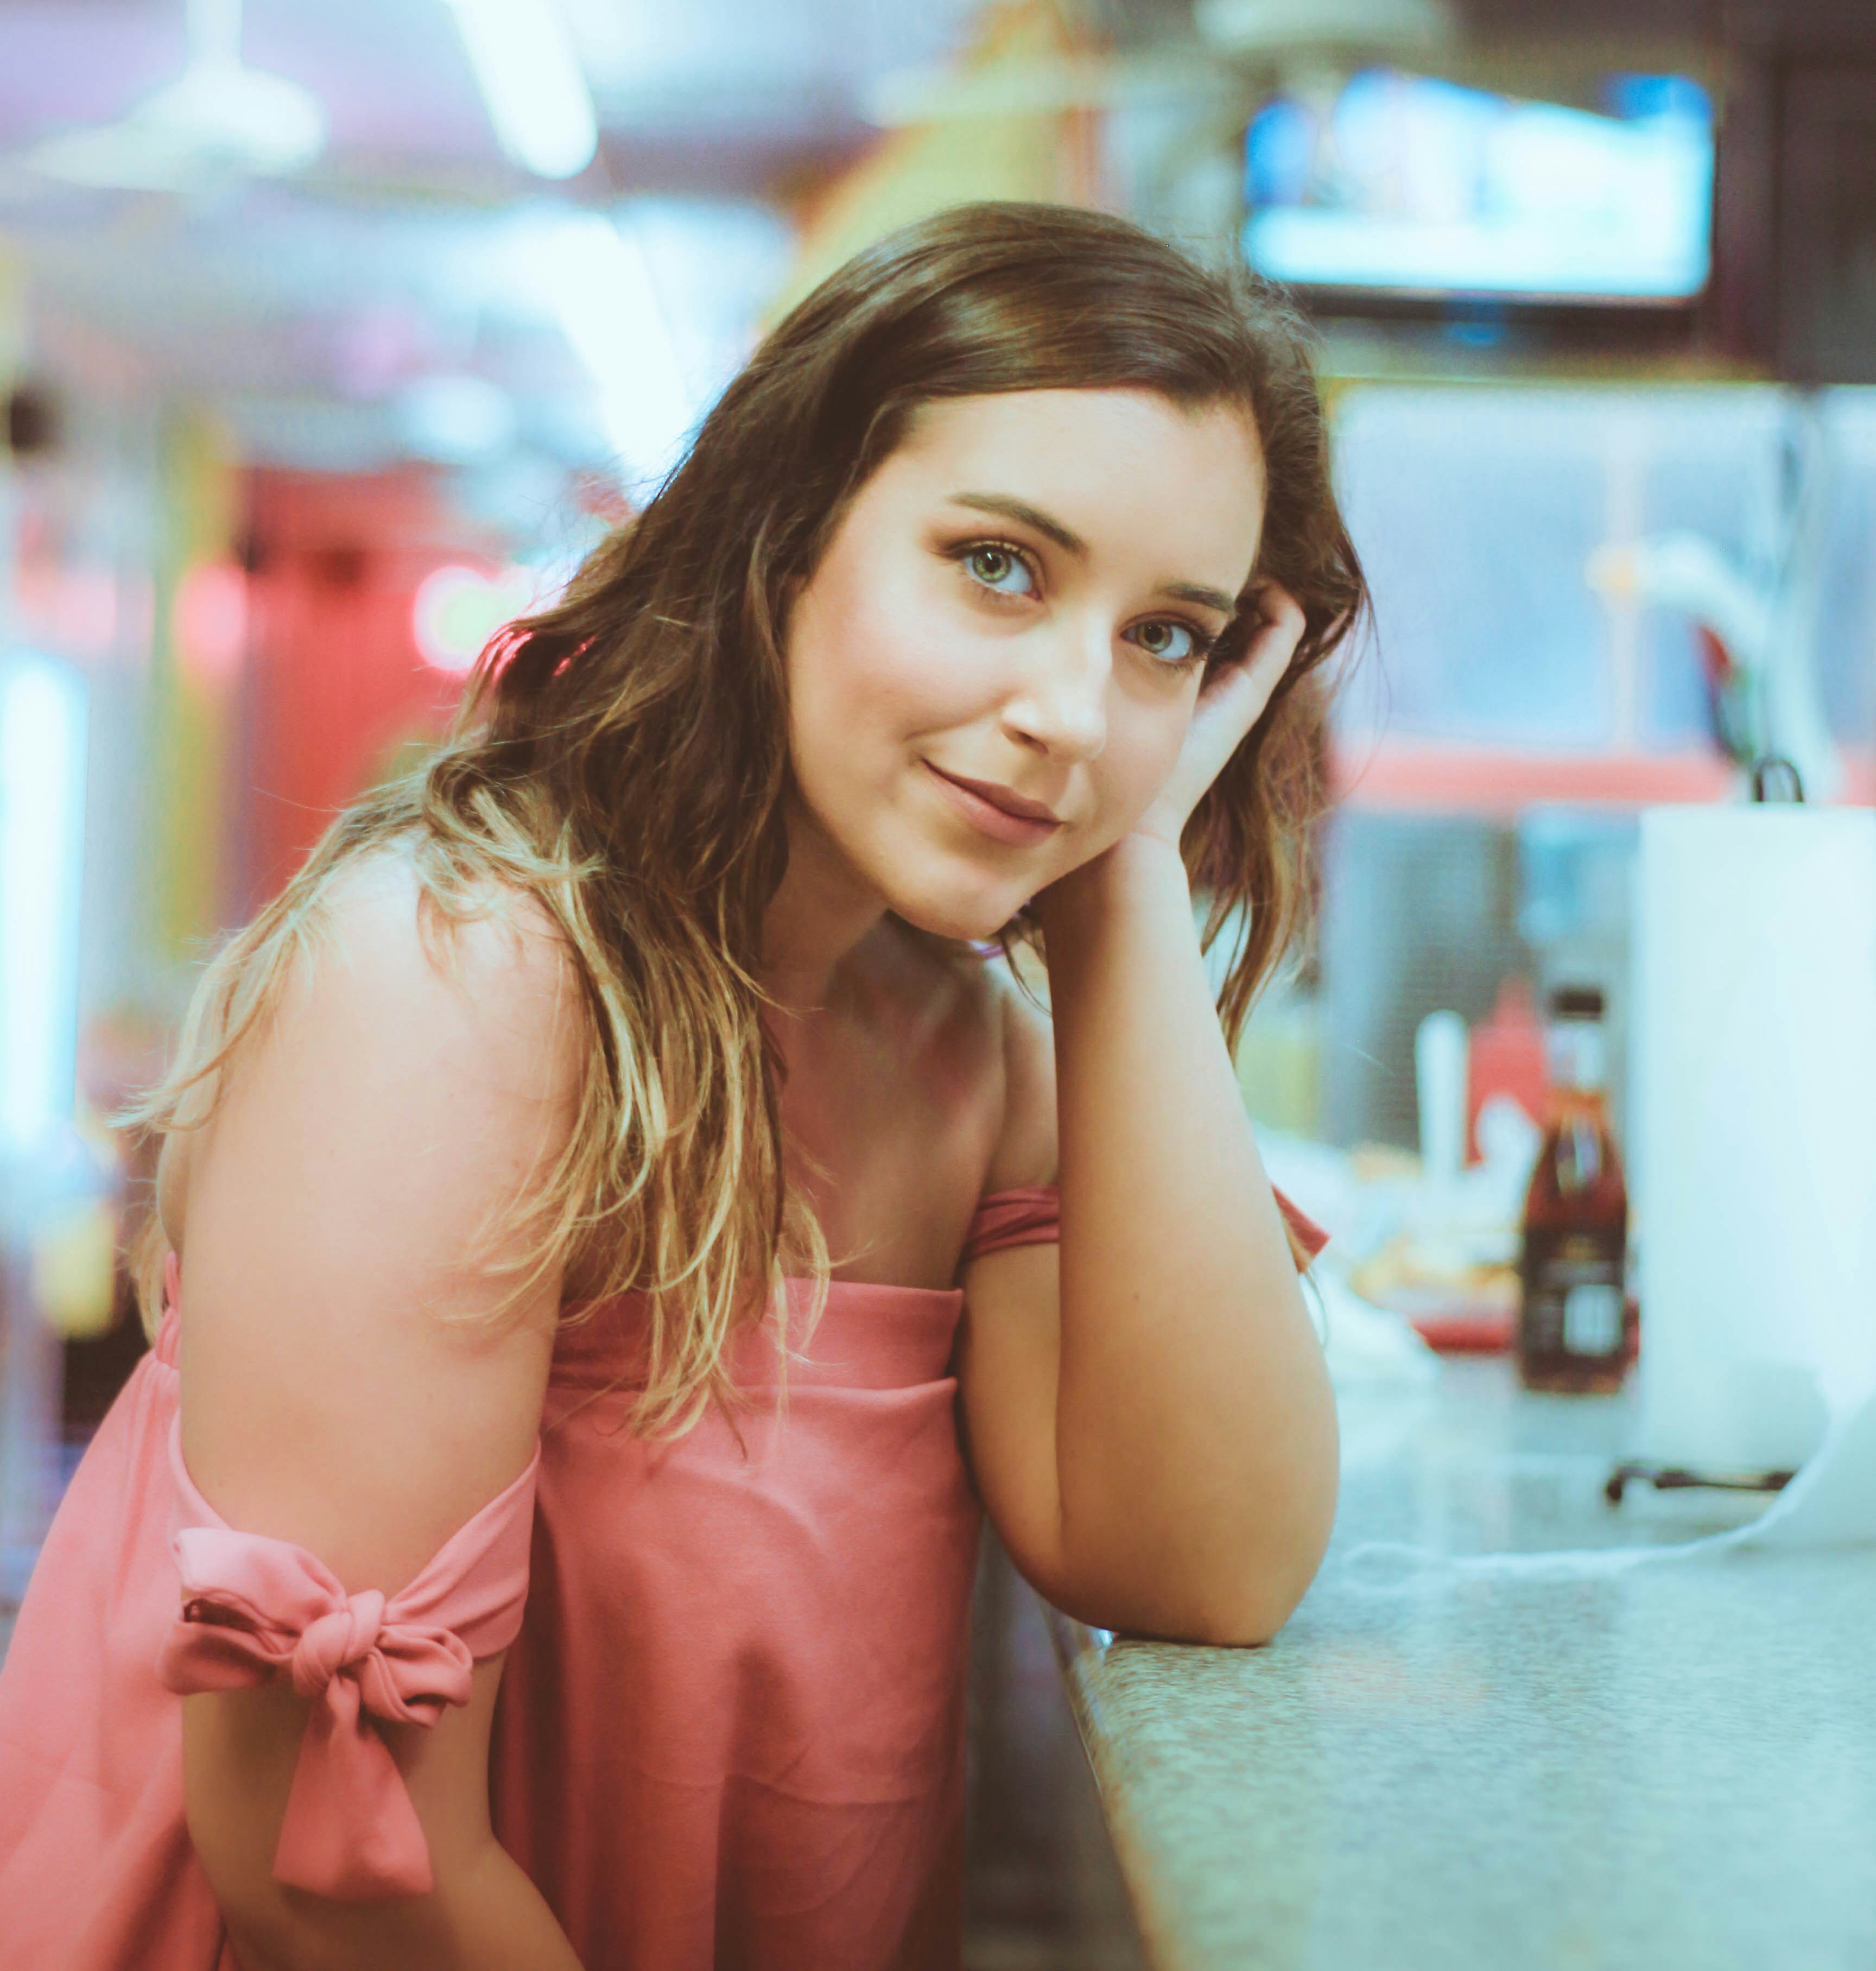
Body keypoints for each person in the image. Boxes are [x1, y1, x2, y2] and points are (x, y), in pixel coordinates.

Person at [0, 201, 1366, 1971]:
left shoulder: (966, 1054)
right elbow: (340, 1874)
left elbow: (1205, 1562)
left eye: (1165, 638)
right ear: (784, 541)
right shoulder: (459, 978)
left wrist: (1127, 877)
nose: (1071, 710)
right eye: (1002, 566)